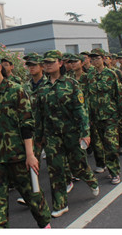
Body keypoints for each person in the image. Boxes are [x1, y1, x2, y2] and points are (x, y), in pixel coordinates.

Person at [0, 53, 51, 228]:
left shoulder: (15, 90)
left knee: (32, 196)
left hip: (17, 156)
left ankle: (45, 223)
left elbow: (26, 124)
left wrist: (30, 154)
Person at [37, 50, 100, 219]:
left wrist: (85, 132)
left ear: (60, 63)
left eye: (51, 62)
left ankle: (90, 179)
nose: (48, 65)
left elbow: (81, 109)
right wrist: (38, 136)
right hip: (52, 135)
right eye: (46, 63)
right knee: (55, 169)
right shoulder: (42, 87)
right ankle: (60, 204)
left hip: (71, 133)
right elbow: (39, 114)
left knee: (78, 165)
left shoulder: (71, 84)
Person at [86, 48, 122, 185]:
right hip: (96, 117)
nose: (94, 61)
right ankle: (108, 167)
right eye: (92, 59)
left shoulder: (110, 74)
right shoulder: (90, 75)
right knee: (103, 145)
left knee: (111, 145)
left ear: (103, 58)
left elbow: (119, 94)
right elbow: (87, 95)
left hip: (110, 115)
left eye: (97, 58)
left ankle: (115, 172)